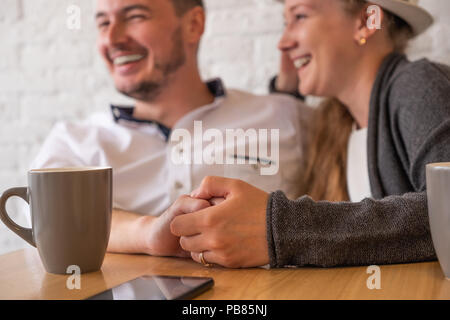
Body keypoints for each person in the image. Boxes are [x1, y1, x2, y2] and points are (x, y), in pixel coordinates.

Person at [170, 0, 450, 268]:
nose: (282, 42)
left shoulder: (419, 85)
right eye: (285, 22)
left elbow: (446, 212)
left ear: (366, 22)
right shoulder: (338, 123)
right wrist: (285, 97)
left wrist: (280, 229)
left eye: (300, 16)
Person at [29, 0, 311, 258]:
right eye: (103, 23)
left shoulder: (283, 116)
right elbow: (44, 219)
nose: (112, 39)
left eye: (135, 16)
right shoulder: (75, 141)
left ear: (193, 25)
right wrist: (148, 234)